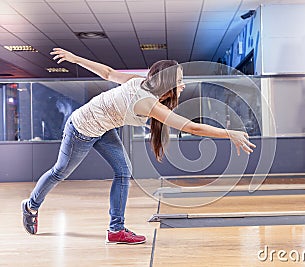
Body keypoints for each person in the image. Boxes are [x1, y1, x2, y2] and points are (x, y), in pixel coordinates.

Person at [21, 48, 256, 245]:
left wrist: (77, 59)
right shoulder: (148, 101)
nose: (183, 85)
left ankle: (116, 230)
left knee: (123, 172)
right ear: (167, 82)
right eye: (179, 80)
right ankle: (31, 205)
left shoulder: (142, 86)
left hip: (104, 128)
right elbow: (190, 127)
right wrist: (229, 133)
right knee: (60, 172)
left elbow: (109, 73)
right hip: (80, 128)